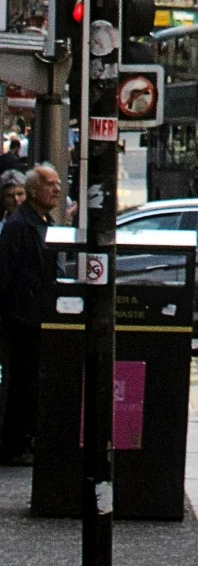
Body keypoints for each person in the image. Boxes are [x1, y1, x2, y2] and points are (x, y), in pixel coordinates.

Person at [0, 163, 61, 465]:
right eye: (50, 184)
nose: (57, 189)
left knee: (34, 383)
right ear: (34, 189)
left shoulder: (42, 221)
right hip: (22, 319)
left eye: (58, 184)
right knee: (22, 385)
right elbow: (4, 273)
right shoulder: (19, 226)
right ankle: (14, 446)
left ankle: (26, 440)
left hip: (40, 316)